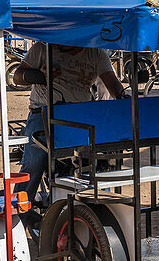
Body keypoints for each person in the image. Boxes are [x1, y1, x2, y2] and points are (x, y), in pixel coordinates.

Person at [12, 42, 126, 204]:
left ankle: (99, 206)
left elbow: (112, 82)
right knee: (33, 164)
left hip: (79, 117)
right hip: (43, 113)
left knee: (95, 164)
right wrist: (37, 74)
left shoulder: (97, 54)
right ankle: (18, 211)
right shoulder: (41, 48)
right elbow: (17, 76)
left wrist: (124, 98)